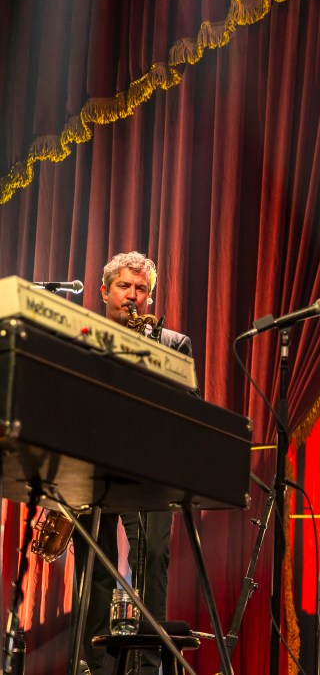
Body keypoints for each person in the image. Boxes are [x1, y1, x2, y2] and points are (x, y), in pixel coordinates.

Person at [72, 251, 192, 675]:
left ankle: (146, 667)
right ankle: (96, 665)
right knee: (94, 565)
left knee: (153, 558)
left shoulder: (175, 344)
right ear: (104, 291)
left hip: (149, 469)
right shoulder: (81, 336)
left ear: (151, 300)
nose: (133, 296)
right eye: (124, 286)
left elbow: (190, 409)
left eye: (142, 290)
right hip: (93, 467)